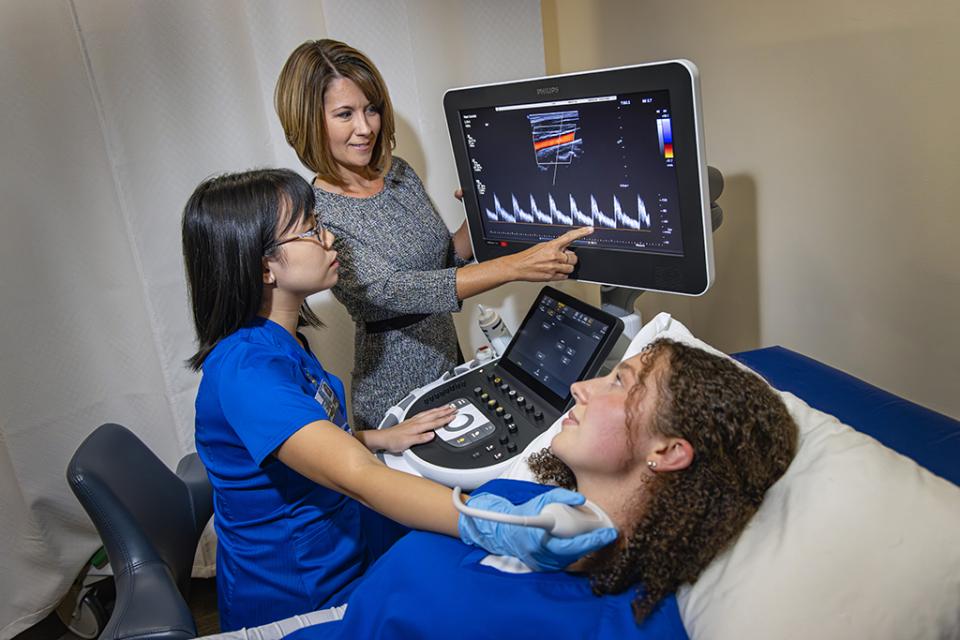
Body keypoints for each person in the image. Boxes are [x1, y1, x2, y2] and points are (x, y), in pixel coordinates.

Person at [181, 169, 615, 631]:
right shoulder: (247, 372)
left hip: (342, 541)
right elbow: (356, 477)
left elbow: (303, 435)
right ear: (263, 266)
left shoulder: (279, 341)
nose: (329, 238)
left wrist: (375, 436)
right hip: (303, 588)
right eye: (310, 228)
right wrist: (494, 522)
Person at [279, 338, 799, 639]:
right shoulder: (526, 504)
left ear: (666, 451)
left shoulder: (627, 623)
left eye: (619, 382)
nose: (580, 387)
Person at [275, 39, 594, 430]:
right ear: (309, 122)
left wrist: (484, 207)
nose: (365, 128)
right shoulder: (319, 212)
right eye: (345, 114)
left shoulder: (399, 174)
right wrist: (517, 266)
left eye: (371, 109)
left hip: (449, 362)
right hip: (393, 388)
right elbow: (401, 289)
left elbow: (447, 258)